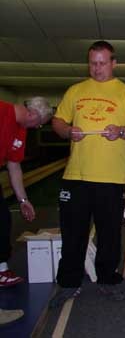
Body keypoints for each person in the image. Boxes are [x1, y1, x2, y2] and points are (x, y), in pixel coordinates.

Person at [49, 41, 125, 308]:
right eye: (93, 62)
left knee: (109, 235)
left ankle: (107, 279)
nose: (97, 68)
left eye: (103, 62)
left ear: (113, 63)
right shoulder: (76, 91)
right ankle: (68, 283)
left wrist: (122, 132)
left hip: (111, 177)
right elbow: (57, 122)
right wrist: (68, 131)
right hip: (76, 175)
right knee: (73, 234)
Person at [0, 96, 53, 325]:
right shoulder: (2, 111)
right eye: (40, 123)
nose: (38, 128)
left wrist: (23, 199)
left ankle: (1, 271)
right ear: (33, 114)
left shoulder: (20, 130)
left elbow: (14, 166)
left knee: (2, 221)